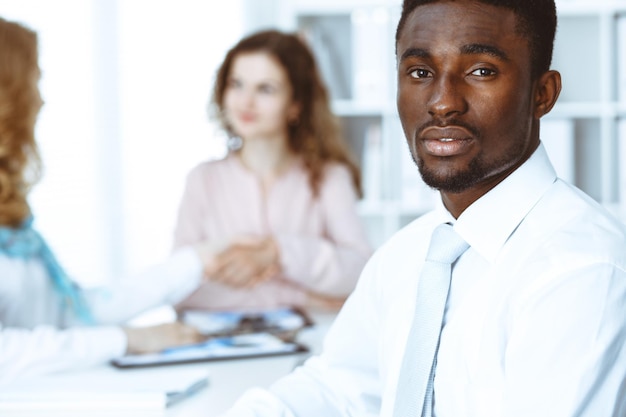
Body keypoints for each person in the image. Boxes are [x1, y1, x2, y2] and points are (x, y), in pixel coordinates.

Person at [219, 0, 626, 416]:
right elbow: (339, 388)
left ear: (543, 94)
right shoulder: (409, 253)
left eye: (480, 70)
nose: (442, 102)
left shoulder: (580, 269)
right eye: (420, 72)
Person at [0, 16, 210, 386]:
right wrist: (129, 340)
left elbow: (75, 311)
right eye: (33, 82)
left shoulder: (15, 228)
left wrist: (200, 261)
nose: (42, 98)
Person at [172, 29, 372, 312]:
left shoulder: (329, 178)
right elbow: (178, 290)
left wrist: (278, 253)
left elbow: (361, 271)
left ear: (295, 105)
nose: (246, 101)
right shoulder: (202, 180)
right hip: (219, 349)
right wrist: (295, 297)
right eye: (236, 84)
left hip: (309, 345)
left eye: (265, 89)